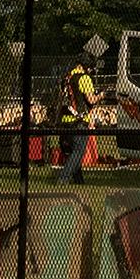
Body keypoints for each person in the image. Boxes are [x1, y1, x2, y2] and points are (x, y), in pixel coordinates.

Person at [55, 53, 101, 185]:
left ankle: (79, 180)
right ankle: (63, 178)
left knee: (73, 152)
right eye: (91, 67)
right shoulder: (84, 78)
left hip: (65, 120)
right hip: (79, 121)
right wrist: (102, 95)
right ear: (85, 66)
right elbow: (91, 99)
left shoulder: (67, 77)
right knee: (78, 152)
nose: (91, 70)